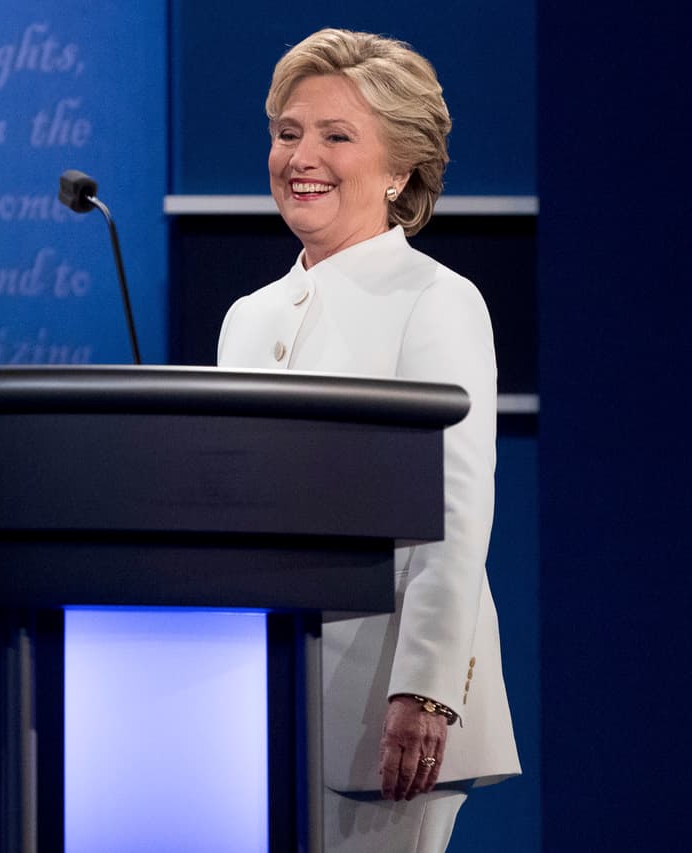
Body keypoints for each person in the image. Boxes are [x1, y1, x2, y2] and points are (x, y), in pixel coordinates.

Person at [217, 28, 521, 852]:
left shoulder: (437, 299)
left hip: (383, 713)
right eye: (287, 133)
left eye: (335, 136)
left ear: (399, 172)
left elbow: (455, 509)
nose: (300, 156)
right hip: (259, 701)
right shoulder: (247, 319)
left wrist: (424, 691)